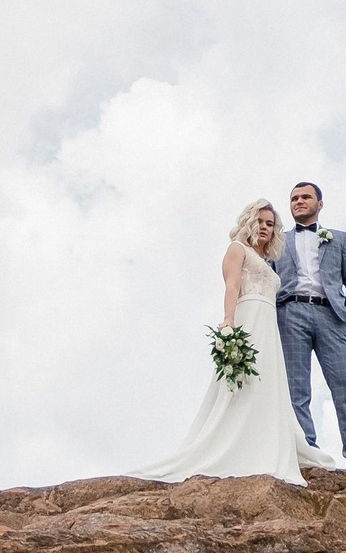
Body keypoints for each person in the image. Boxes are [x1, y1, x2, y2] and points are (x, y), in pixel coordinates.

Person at [132, 200, 335, 485]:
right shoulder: (237, 250)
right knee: (244, 382)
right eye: (260, 222)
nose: (265, 228)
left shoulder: (266, 261)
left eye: (270, 224)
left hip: (268, 325)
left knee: (268, 384)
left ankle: (264, 442)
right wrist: (229, 321)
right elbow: (232, 286)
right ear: (249, 222)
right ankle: (232, 445)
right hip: (249, 317)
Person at [278, 181, 346, 473]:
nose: (299, 202)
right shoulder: (279, 241)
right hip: (290, 312)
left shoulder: (339, 238)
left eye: (305, 197)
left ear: (319, 204)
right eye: (294, 199)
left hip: (331, 315)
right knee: (296, 389)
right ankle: (307, 453)